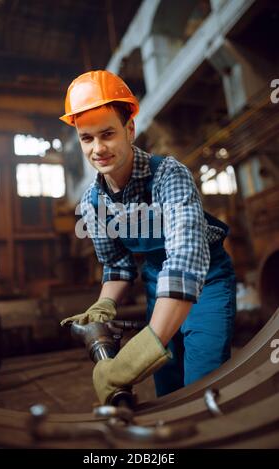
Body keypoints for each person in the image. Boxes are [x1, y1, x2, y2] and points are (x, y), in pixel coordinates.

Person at [59, 70, 236, 404]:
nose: (98, 149)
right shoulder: (92, 203)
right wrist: (105, 303)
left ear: (129, 130)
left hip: (207, 280)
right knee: (168, 388)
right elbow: (117, 266)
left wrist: (132, 360)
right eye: (87, 138)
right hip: (157, 283)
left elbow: (185, 260)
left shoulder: (169, 176)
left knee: (202, 382)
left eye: (107, 134)